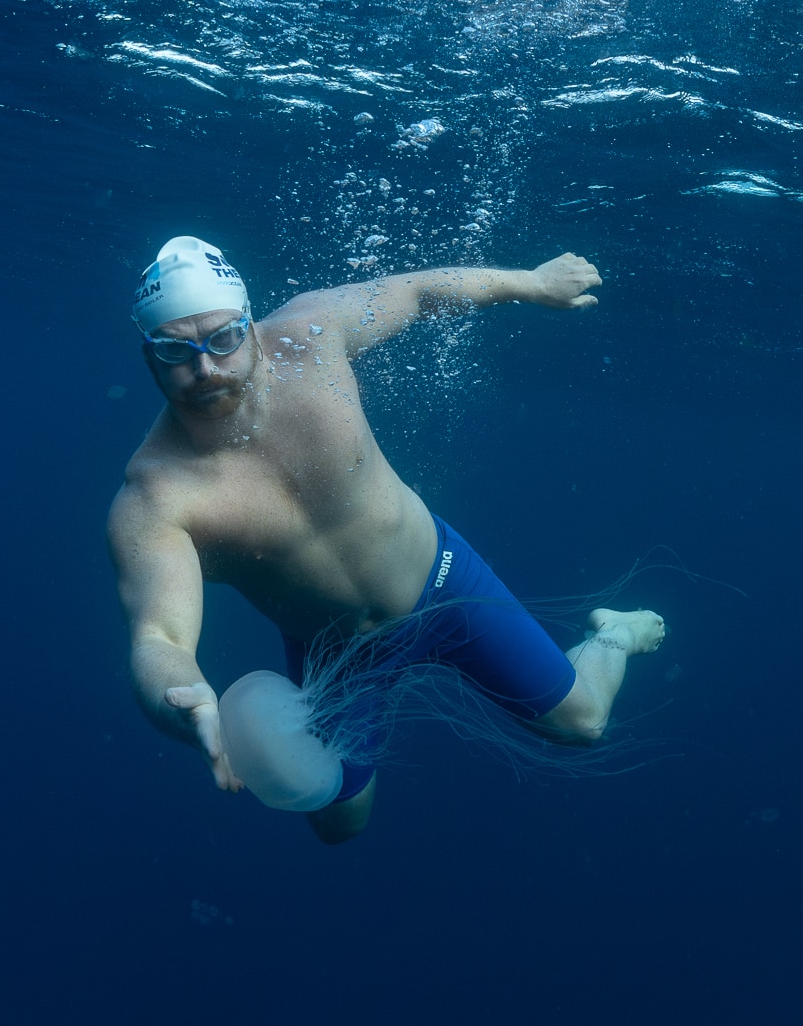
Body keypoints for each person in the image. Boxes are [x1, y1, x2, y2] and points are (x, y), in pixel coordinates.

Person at [108, 235, 668, 843]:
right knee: (341, 825)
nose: (206, 370)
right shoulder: (155, 497)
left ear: (250, 324)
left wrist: (530, 283)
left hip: (445, 583)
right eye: (176, 352)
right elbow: (159, 637)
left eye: (224, 338)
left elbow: (419, 292)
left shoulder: (311, 334)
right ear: (148, 357)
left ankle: (613, 634)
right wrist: (185, 700)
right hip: (335, 651)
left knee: (583, 723)